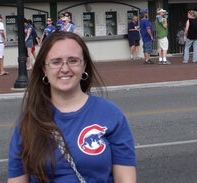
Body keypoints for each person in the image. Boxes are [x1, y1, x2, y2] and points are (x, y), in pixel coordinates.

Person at [7, 32, 137, 183]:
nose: (65, 69)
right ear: (44, 69)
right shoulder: (28, 122)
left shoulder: (111, 115)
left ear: (84, 65)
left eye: (73, 61)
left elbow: (125, 178)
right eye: (56, 62)